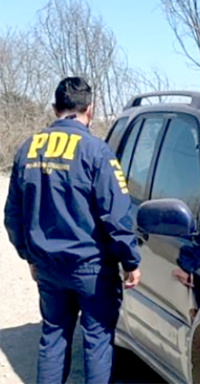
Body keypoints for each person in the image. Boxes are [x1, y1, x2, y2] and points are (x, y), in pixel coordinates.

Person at [4, 77, 141, 384]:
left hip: (48, 267)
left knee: (53, 337)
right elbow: (116, 216)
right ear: (89, 109)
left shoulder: (28, 148)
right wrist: (130, 261)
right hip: (91, 269)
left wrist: (29, 256)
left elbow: (13, 215)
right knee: (97, 340)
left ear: (55, 108)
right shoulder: (96, 152)